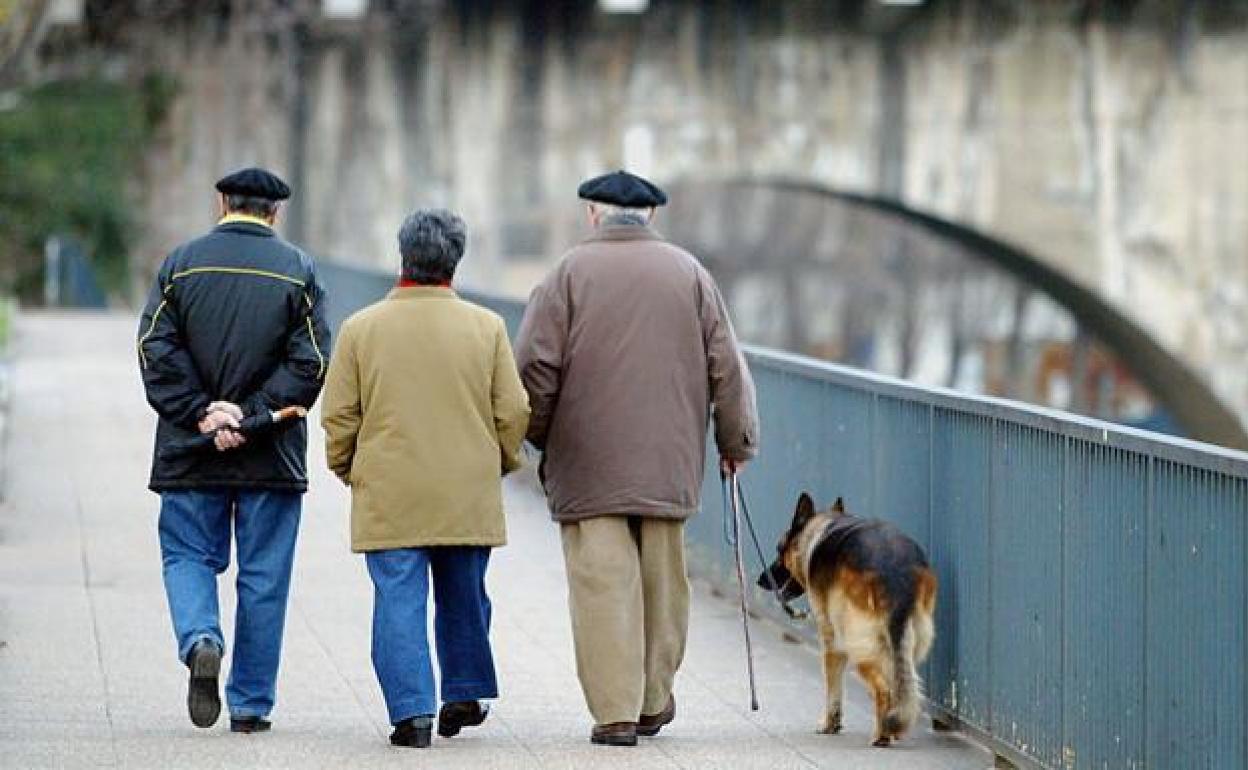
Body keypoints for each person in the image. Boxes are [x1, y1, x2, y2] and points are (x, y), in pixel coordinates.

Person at [514, 170, 760, 746]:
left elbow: (533, 369)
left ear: (593, 215)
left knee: (602, 586)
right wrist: (735, 443)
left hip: (587, 462)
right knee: (663, 585)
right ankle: (653, 701)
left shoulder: (566, 275)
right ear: (652, 216)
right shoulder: (691, 274)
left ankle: (615, 712)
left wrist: (539, 436)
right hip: (668, 462)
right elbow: (727, 366)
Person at [320, 208, 530, 749]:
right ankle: (463, 689)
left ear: (403, 260)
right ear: (454, 265)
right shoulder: (487, 329)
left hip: (390, 488)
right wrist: (499, 462)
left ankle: (411, 714)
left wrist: (349, 469)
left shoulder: (360, 329)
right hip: (465, 488)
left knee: (398, 599)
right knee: (464, 593)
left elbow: (340, 415)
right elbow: (512, 411)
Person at [137, 167, 330, 733]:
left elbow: (154, 346)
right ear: (276, 212)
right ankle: (250, 706)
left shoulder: (181, 263)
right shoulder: (299, 271)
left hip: (188, 447)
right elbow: (310, 362)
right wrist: (251, 417)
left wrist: (202, 411)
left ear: (222, 201)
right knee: (264, 577)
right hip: (270, 452)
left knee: (187, 554)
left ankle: (200, 637)